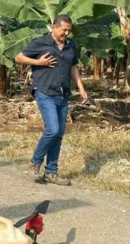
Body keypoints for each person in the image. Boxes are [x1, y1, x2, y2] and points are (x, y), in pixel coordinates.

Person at [14, 14, 88, 186]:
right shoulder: (41, 42)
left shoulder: (71, 46)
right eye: (64, 30)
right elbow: (19, 58)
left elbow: (74, 67)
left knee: (59, 134)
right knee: (53, 129)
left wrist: (81, 88)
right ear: (54, 27)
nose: (66, 34)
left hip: (63, 93)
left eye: (69, 31)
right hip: (45, 91)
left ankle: (52, 172)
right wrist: (38, 62)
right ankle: (35, 161)